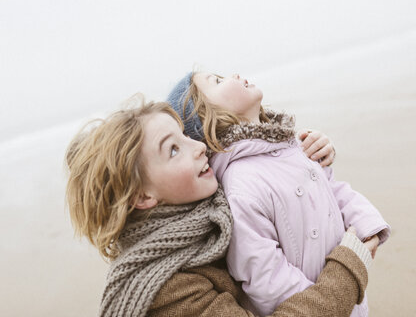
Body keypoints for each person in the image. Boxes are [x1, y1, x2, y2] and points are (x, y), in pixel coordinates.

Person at [65, 99, 377, 317]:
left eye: (186, 136)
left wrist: (311, 154)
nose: (199, 147)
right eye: (173, 150)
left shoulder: (210, 216)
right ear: (142, 197)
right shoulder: (167, 292)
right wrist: (348, 267)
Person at [166, 71, 391, 316]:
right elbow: (265, 276)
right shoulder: (241, 184)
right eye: (217, 81)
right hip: (322, 304)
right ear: (206, 116)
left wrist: (367, 228)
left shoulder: (290, 144)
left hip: (350, 293)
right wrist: (329, 300)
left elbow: (332, 189)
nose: (234, 75)